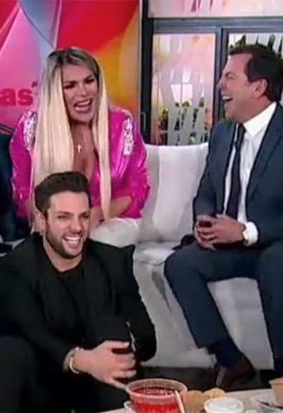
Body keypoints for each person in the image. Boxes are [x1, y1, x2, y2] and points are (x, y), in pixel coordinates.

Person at [0, 172, 156, 412]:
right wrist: (82, 360)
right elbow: (32, 333)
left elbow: (147, 340)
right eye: (64, 217)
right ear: (42, 221)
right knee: (9, 350)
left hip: (99, 387)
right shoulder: (14, 268)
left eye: (83, 216)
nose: (77, 227)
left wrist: (126, 345)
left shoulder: (112, 262)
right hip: (40, 387)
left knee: (111, 329)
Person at [164, 43, 283, 390]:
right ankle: (232, 360)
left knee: (276, 264)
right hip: (229, 245)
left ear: (258, 87)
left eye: (229, 77)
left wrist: (246, 231)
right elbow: (206, 191)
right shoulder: (222, 132)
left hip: (274, 242)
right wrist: (205, 223)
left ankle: (281, 376)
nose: (220, 85)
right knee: (180, 264)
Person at [10, 47, 149, 247]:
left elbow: (138, 186)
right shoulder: (32, 128)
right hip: (57, 223)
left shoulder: (122, 125)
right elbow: (23, 190)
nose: (83, 92)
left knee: (98, 242)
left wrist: (98, 214)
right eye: (70, 86)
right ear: (55, 92)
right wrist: (48, 221)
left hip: (113, 218)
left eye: (89, 81)